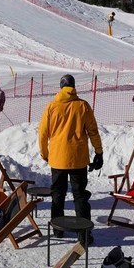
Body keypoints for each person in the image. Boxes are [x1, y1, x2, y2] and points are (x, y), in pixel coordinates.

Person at [38, 74, 103, 244]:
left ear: (60, 87)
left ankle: (58, 230)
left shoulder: (51, 106)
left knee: (57, 194)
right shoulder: (82, 105)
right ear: (74, 87)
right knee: (80, 196)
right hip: (78, 159)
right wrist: (99, 152)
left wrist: (45, 153)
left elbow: (43, 133)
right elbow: (93, 131)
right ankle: (84, 234)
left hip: (58, 159)